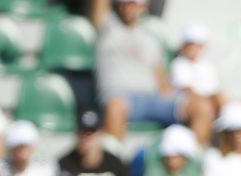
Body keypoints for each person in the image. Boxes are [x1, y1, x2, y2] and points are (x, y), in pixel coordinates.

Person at [89, 0, 214, 144]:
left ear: (144, 6)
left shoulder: (151, 37)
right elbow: (98, 6)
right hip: (119, 97)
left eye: (134, 3)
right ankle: (114, 161)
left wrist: (173, 93)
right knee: (115, 108)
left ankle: (192, 159)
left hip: (152, 98)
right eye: (126, 3)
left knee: (202, 107)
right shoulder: (107, 26)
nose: (130, 7)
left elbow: (160, 76)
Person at [169, 23, 222, 110]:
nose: (195, 50)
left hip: (210, 100)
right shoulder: (179, 64)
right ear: (184, 46)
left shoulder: (207, 65)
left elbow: (215, 88)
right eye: (192, 46)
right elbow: (186, 88)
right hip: (192, 103)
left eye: (199, 46)